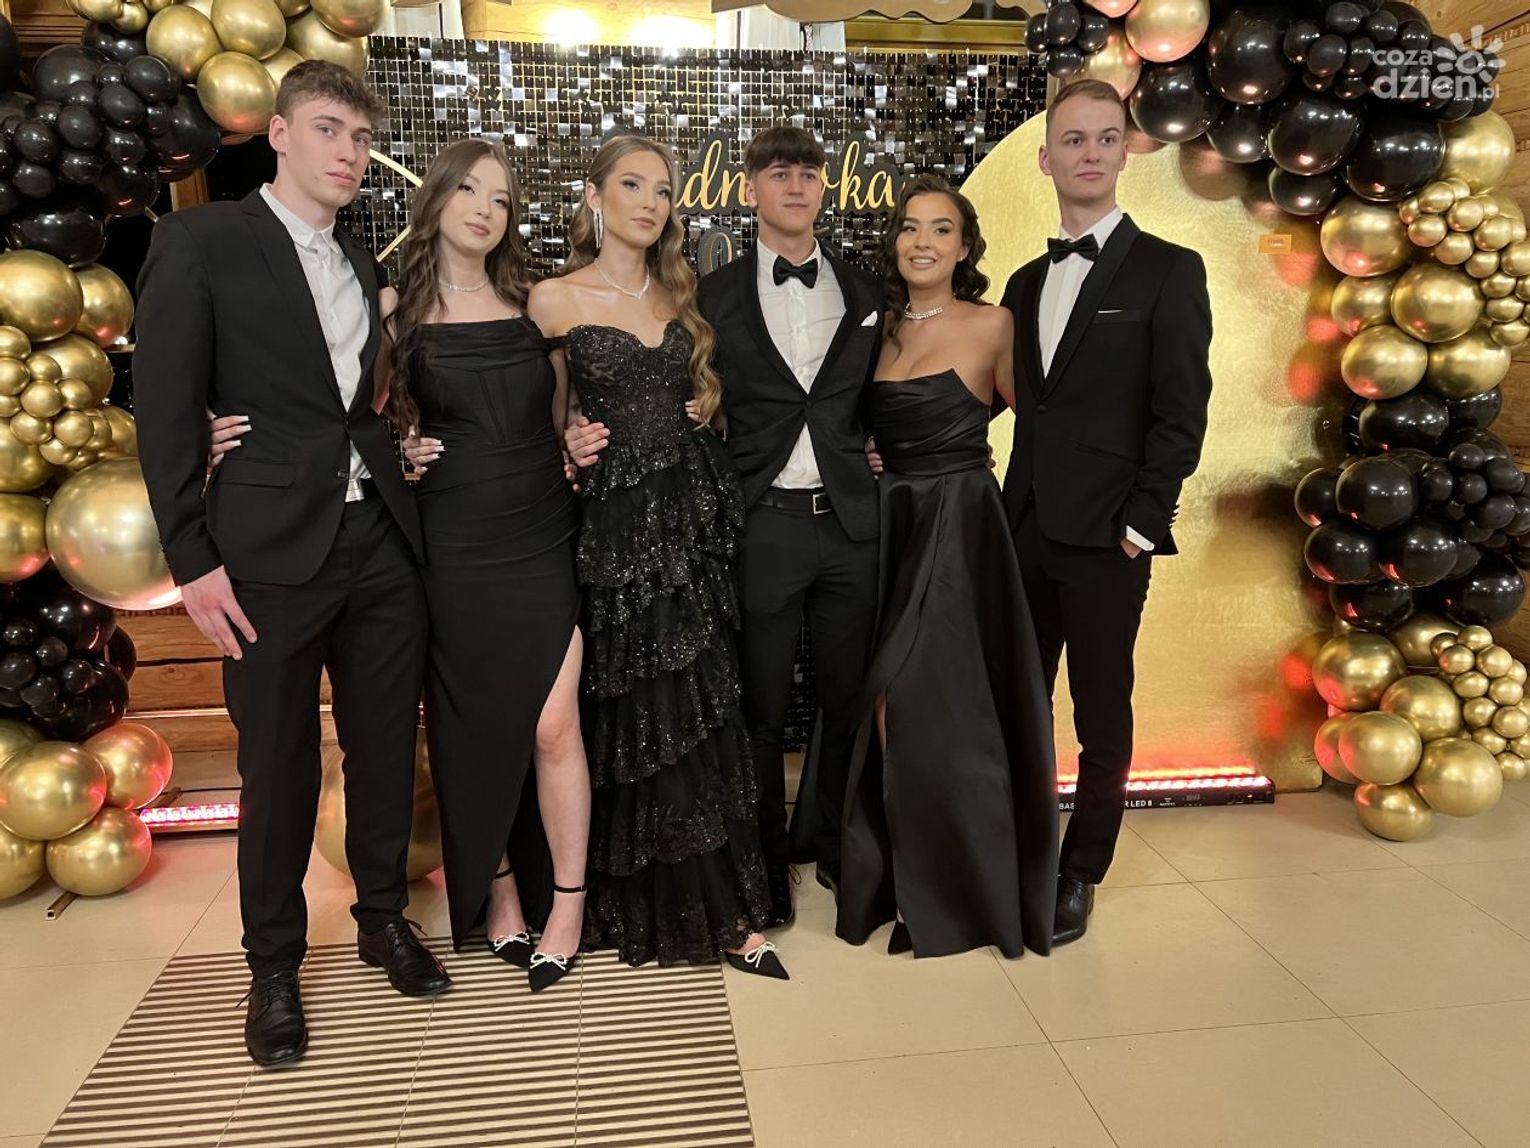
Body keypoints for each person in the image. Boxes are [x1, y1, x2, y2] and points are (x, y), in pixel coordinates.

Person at [134, 61, 450, 1070]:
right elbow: (163, 406)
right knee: (276, 766)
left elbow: (349, 405)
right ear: (277, 133)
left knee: (384, 748)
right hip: (265, 553)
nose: (349, 153)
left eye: (360, 137)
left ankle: (382, 918)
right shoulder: (202, 240)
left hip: (380, 541)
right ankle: (272, 966)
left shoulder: (358, 258)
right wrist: (192, 558)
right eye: (327, 129)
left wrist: (396, 446)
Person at [568, 126, 885, 928]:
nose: (796, 186)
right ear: (750, 190)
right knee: (760, 708)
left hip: (852, 523)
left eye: (809, 173)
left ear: (825, 186)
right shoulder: (706, 297)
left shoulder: (865, 289)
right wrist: (578, 434)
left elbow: (882, 391)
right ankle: (766, 867)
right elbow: (660, 397)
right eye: (779, 174)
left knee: (848, 700)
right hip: (760, 522)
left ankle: (839, 849)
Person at [529, 134, 787, 979]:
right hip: (612, 534)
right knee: (633, 709)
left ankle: (726, 909)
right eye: (632, 185)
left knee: (699, 709)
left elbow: (720, 402)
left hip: (692, 523)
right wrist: (567, 443)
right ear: (594, 196)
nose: (650, 202)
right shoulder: (553, 299)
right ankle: (612, 899)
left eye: (663, 189)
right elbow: (539, 426)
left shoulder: (685, 295)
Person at [1000, 79, 1213, 946]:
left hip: (1107, 540)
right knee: (1018, 706)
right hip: (1021, 530)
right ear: (1045, 159)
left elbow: (1181, 412)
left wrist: (1141, 523)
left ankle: (1080, 870)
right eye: (1072, 140)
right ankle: (1019, 849)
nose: (1089, 153)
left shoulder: (1169, 269)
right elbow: (996, 395)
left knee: (1101, 714)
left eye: (1104, 137)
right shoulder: (1022, 283)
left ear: (1125, 152)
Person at [373, 138, 588, 992]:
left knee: (554, 724)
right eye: (469, 190)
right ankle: (499, 894)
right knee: (471, 726)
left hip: (542, 532)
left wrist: (578, 443)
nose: (485, 210)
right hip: (453, 541)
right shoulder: (393, 310)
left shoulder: (534, 303)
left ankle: (567, 906)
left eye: (500, 199)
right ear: (436, 199)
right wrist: (400, 451)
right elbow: (365, 424)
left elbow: (561, 420)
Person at [836, 176, 1058, 959]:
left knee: (933, 706)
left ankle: (948, 892)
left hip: (959, 528)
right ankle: (909, 876)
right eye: (909, 227)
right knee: (889, 703)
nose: (922, 241)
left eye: (940, 229)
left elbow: (1039, 428)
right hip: (888, 526)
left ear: (964, 247)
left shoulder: (993, 322)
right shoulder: (877, 328)